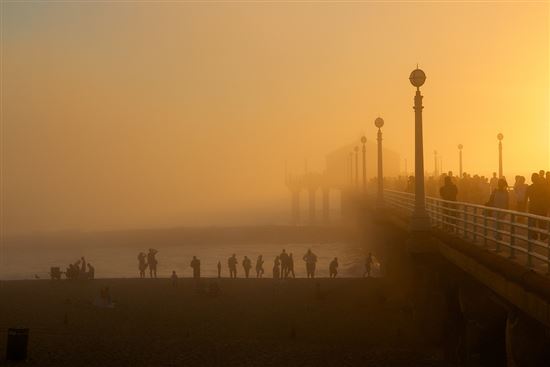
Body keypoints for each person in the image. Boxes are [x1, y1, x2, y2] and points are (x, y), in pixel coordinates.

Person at [527, 173, 550, 239]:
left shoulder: (530, 188)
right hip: (542, 208)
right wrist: (547, 207)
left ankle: (534, 235)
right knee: (542, 223)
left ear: (532, 179)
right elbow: (548, 197)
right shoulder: (543, 187)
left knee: (533, 223)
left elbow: (526, 199)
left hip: (533, 208)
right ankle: (543, 235)